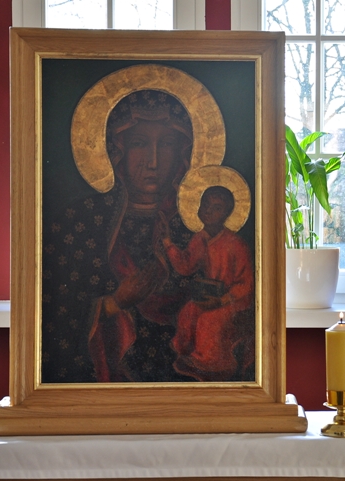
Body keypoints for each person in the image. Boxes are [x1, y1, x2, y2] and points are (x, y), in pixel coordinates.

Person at [42, 89, 196, 383]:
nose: (152, 161)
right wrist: (114, 303)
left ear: (183, 153)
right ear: (116, 151)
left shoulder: (195, 224)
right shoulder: (81, 222)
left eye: (166, 144)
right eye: (139, 144)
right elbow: (54, 313)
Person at [162, 185, 255, 381]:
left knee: (210, 320)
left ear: (227, 213)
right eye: (206, 205)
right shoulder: (200, 239)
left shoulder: (236, 244)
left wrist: (222, 300)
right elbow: (186, 265)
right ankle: (188, 356)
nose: (208, 211)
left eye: (216, 207)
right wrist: (168, 245)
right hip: (212, 295)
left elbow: (246, 285)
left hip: (234, 300)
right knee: (189, 311)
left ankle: (211, 364)